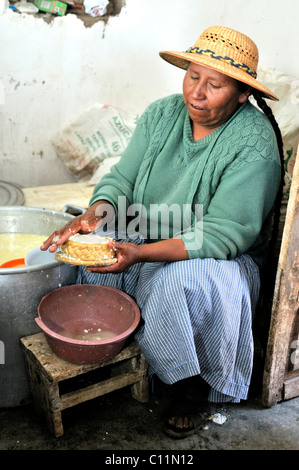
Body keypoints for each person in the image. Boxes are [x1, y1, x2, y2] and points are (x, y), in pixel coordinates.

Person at [42, 26, 283, 438]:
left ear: (242, 93)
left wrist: (142, 254)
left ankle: (190, 387)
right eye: (193, 76)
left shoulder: (254, 141)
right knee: (82, 252)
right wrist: (96, 214)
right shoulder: (161, 115)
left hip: (216, 259)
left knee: (180, 284)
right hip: (146, 237)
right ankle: (124, 353)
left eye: (215, 85)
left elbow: (225, 234)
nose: (197, 93)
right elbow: (121, 180)